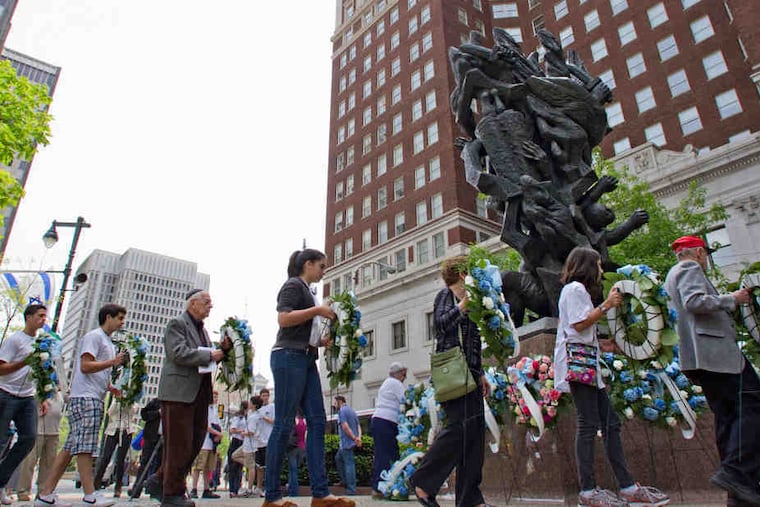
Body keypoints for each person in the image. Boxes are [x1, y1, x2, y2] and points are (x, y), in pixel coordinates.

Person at [555, 247, 669, 507]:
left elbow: (582, 330)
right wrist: (607, 305)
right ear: (586, 266)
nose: (601, 270)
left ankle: (627, 485)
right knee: (588, 424)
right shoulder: (574, 289)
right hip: (579, 366)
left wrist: (608, 344)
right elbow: (578, 324)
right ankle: (588, 491)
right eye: (598, 264)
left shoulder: (578, 292)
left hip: (586, 365)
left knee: (610, 423)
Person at [664, 235, 760, 507]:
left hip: (701, 358)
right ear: (697, 253)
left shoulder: (672, 275)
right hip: (716, 355)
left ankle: (739, 490)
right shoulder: (688, 268)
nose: (706, 259)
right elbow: (695, 302)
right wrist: (732, 299)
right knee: (753, 403)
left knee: (728, 417)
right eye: (705, 253)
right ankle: (737, 473)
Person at [263, 248, 354, 507]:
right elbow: (284, 318)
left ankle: (321, 494)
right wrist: (317, 311)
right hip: (288, 356)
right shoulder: (293, 285)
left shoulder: (310, 292)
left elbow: (306, 331)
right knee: (283, 424)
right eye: (322, 266)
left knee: (317, 421)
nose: (324, 271)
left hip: (306, 356)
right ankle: (272, 497)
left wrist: (324, 341)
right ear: (308, 264)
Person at [409, 255, 490, 507]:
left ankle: (470, 499)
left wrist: (481, 372)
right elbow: (441, 326)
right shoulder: (447, 296)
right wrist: (462, 306)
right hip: (454, 374)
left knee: (475, 437)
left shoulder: (471, 299)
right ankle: (422, 481)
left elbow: (473, 340)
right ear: (462, 274)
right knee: (458, 429)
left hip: (470, 374)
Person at [35, 303, 128, 507]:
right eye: (120, 318)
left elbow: (95, 370)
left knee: (69, 448)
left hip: (91, 396)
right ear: (108, 317)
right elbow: (86, 366)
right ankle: (90, 495)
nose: (122, 322)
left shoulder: (107, 341)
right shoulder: (95, 337)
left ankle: (45, 494)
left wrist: (110, 386)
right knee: (85, 448)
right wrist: (112, 362)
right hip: (86, 398)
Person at [145, 289, 228, 507]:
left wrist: (221, 352)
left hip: (199, 394)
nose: (211, 306)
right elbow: (178, 353)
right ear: (193, 303)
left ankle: (159, 480)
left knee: (195, 442)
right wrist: (211, 354)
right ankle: (172, 494)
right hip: (178, 393)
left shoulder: (204, 331)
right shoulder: (177, 324)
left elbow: (206, 359)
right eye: (207, 302)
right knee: (179, 444)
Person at [0, 304, 49, 506]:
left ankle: (1, 480)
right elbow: (1, 369)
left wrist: (43, 396)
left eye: (45, 316)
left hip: (28, 397)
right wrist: (24, 361)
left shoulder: (41, 342)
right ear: (29, 317)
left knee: (29, 438)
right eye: (40, 316)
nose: (44, 319)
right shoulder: (15, 340)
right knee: (1, 440)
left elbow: (41, 373)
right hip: (7, 393)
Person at [17, 390, 64, 502]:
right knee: (29, 461)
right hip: (38, 428)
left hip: (54, 429)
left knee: (49, 463)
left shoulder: (59, 388)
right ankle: (23, 490)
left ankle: (43, 491)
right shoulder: (38, 383)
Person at [370, 362, 407, 497]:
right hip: (386, 422)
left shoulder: (387, 383)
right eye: (403, 374)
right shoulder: (395, 383)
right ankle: (379, 486)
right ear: (397, 373)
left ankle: (386, 484)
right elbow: (405, 399)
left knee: (388, 454)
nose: (404, 377)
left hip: (381, 421)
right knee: (386, 455)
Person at [93, 402, 137, 497]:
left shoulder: (132, 401)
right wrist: (118, 401)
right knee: (106, 457)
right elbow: (110, 412)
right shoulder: (115, 400)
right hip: (113, 430)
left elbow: (133, 412)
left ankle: (118, 486)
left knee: (120, 460)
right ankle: (97, 482)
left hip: (126, 430)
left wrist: (128, 401)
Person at [190, 391, 222, 499]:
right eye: (213, 396)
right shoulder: (205, 409)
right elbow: (205, 425)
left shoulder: (215, 410)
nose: (215, 398)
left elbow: (217, 424)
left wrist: (218, 435)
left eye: (216, 396)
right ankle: (194, 488)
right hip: (203, 442)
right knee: (199, 466)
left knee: (209, 468)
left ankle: (206, 489)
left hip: (212, 443)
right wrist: (217, 433)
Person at [130, 397, 161, 498]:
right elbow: (144, 415)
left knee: (159, 464)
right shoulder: (155, 402)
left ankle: (154, 490)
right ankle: (137, 488)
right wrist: (158, 413)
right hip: (151, 436)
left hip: (163, 438)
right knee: (145, 462)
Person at [333, 396, 361, 496]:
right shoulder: (352, 411)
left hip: (346, 442)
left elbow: (345, 426)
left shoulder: (342, 411)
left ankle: (351, 489)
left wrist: (354, 438)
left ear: (340, 402)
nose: (334, 405)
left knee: (349, 464)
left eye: (335, 403)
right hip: (351, 442)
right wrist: (358, 438)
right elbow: (358, 425)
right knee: (338, 458)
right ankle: (344, 481)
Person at [255, 388, 274, 497]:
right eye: (263, 395)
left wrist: (265, 418)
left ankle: (268, 487)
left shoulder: (272, 407)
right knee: (259, 466)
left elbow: (274, 421)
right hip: (259, 441)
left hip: (268, 440)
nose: (265, 397)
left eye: (267, 395)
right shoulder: (258, 409)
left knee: (268, 465)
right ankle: (258, 487)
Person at [227, 401, 247, 498]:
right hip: (236, 441)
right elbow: (232, 430)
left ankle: (236, 489)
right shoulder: (238, 418)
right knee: (233, 467)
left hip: (242, 442)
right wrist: (242, 431)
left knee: (239, 467)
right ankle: (232, 490)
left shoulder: (246, 418)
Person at [286, 410, 306, 497]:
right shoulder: (304, 422)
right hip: (302, 447)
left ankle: (293, 491)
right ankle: (293, 489)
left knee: (292, 470)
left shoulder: (294, 421)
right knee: (295, 470)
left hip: (293, 448)